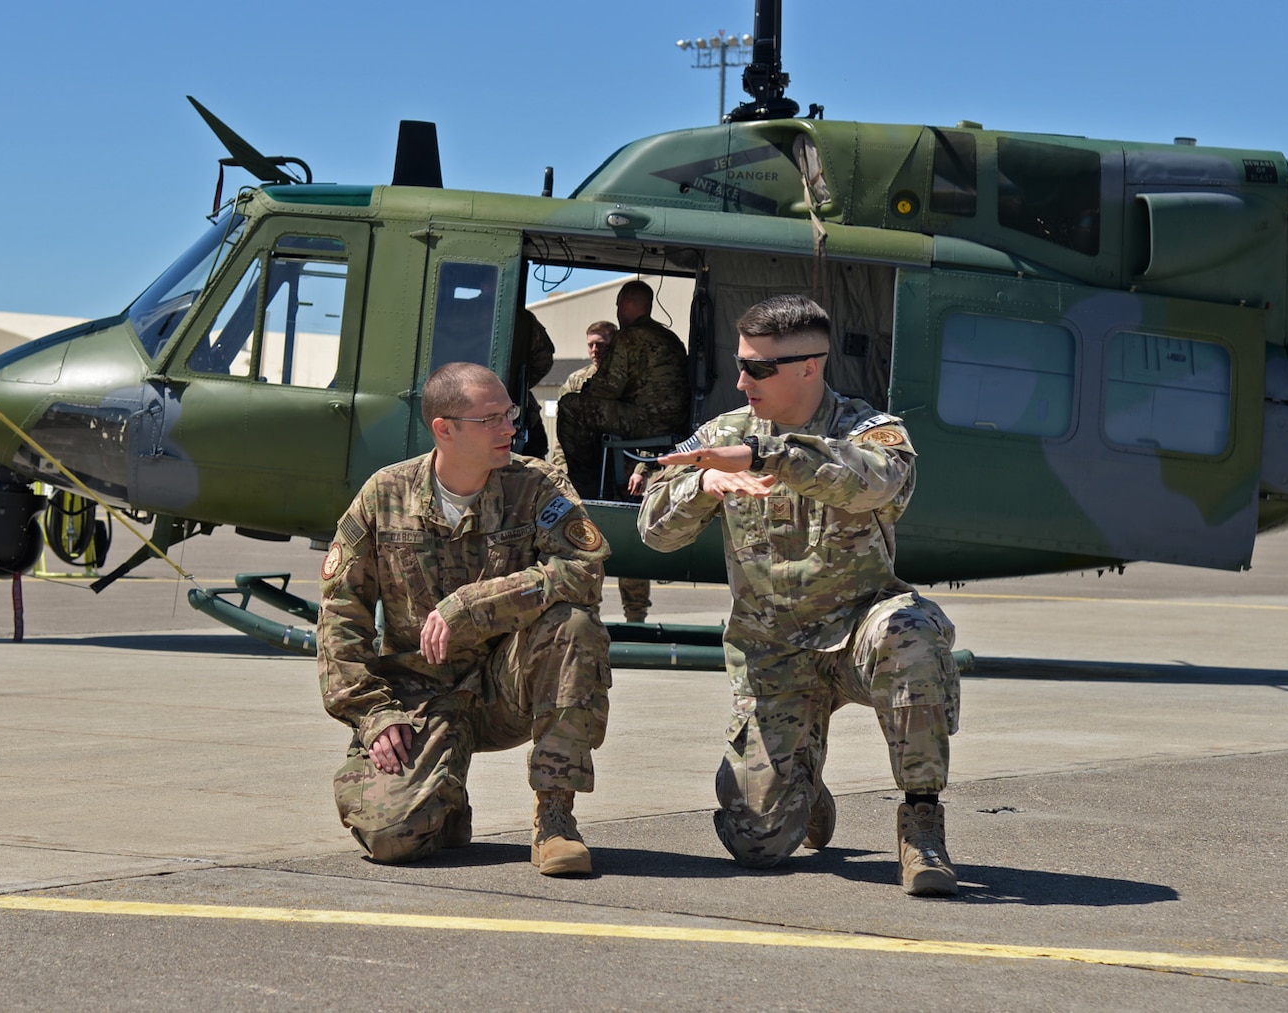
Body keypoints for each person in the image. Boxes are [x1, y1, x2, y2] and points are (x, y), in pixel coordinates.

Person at [636, 294, 962, 897]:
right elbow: (654, 533)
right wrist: (704, 482)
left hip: (858, 631)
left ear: (809, 365)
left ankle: (921, 824)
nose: (742, 380)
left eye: (759, 368)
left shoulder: (868, 431)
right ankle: (800, 782)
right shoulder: (721, 435)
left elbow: (882, 484)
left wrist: (770, 456)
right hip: (773, 650)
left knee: (914, 631)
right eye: (741, 364)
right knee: (756, 843)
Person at [317, 362, 613, 876]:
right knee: (393, 838)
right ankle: (443, 798)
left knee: (574, 625)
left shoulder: (537, 487)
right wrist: (371, 713)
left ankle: (556, 819)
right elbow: (342, 614)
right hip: (420, 694)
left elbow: (583, 572)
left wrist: (473, 604)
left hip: (507, 687)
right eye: (492, 419)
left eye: (510, 414)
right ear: (445, 429)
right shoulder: (385, 495)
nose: (510, 428)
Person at [552, 279, 689, 500]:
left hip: (645, 423)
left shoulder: (628, 337)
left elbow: (605, 390)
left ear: (624, 304)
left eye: (618, 306)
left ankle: (584, 484)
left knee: (571, 405)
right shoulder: (671, 338)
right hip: (675, 424)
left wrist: (587, 392)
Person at [511, 308, 556, 458]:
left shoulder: (450, 310)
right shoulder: (522, 319)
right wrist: (516, 387)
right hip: (516, 409)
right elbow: (544, 360)